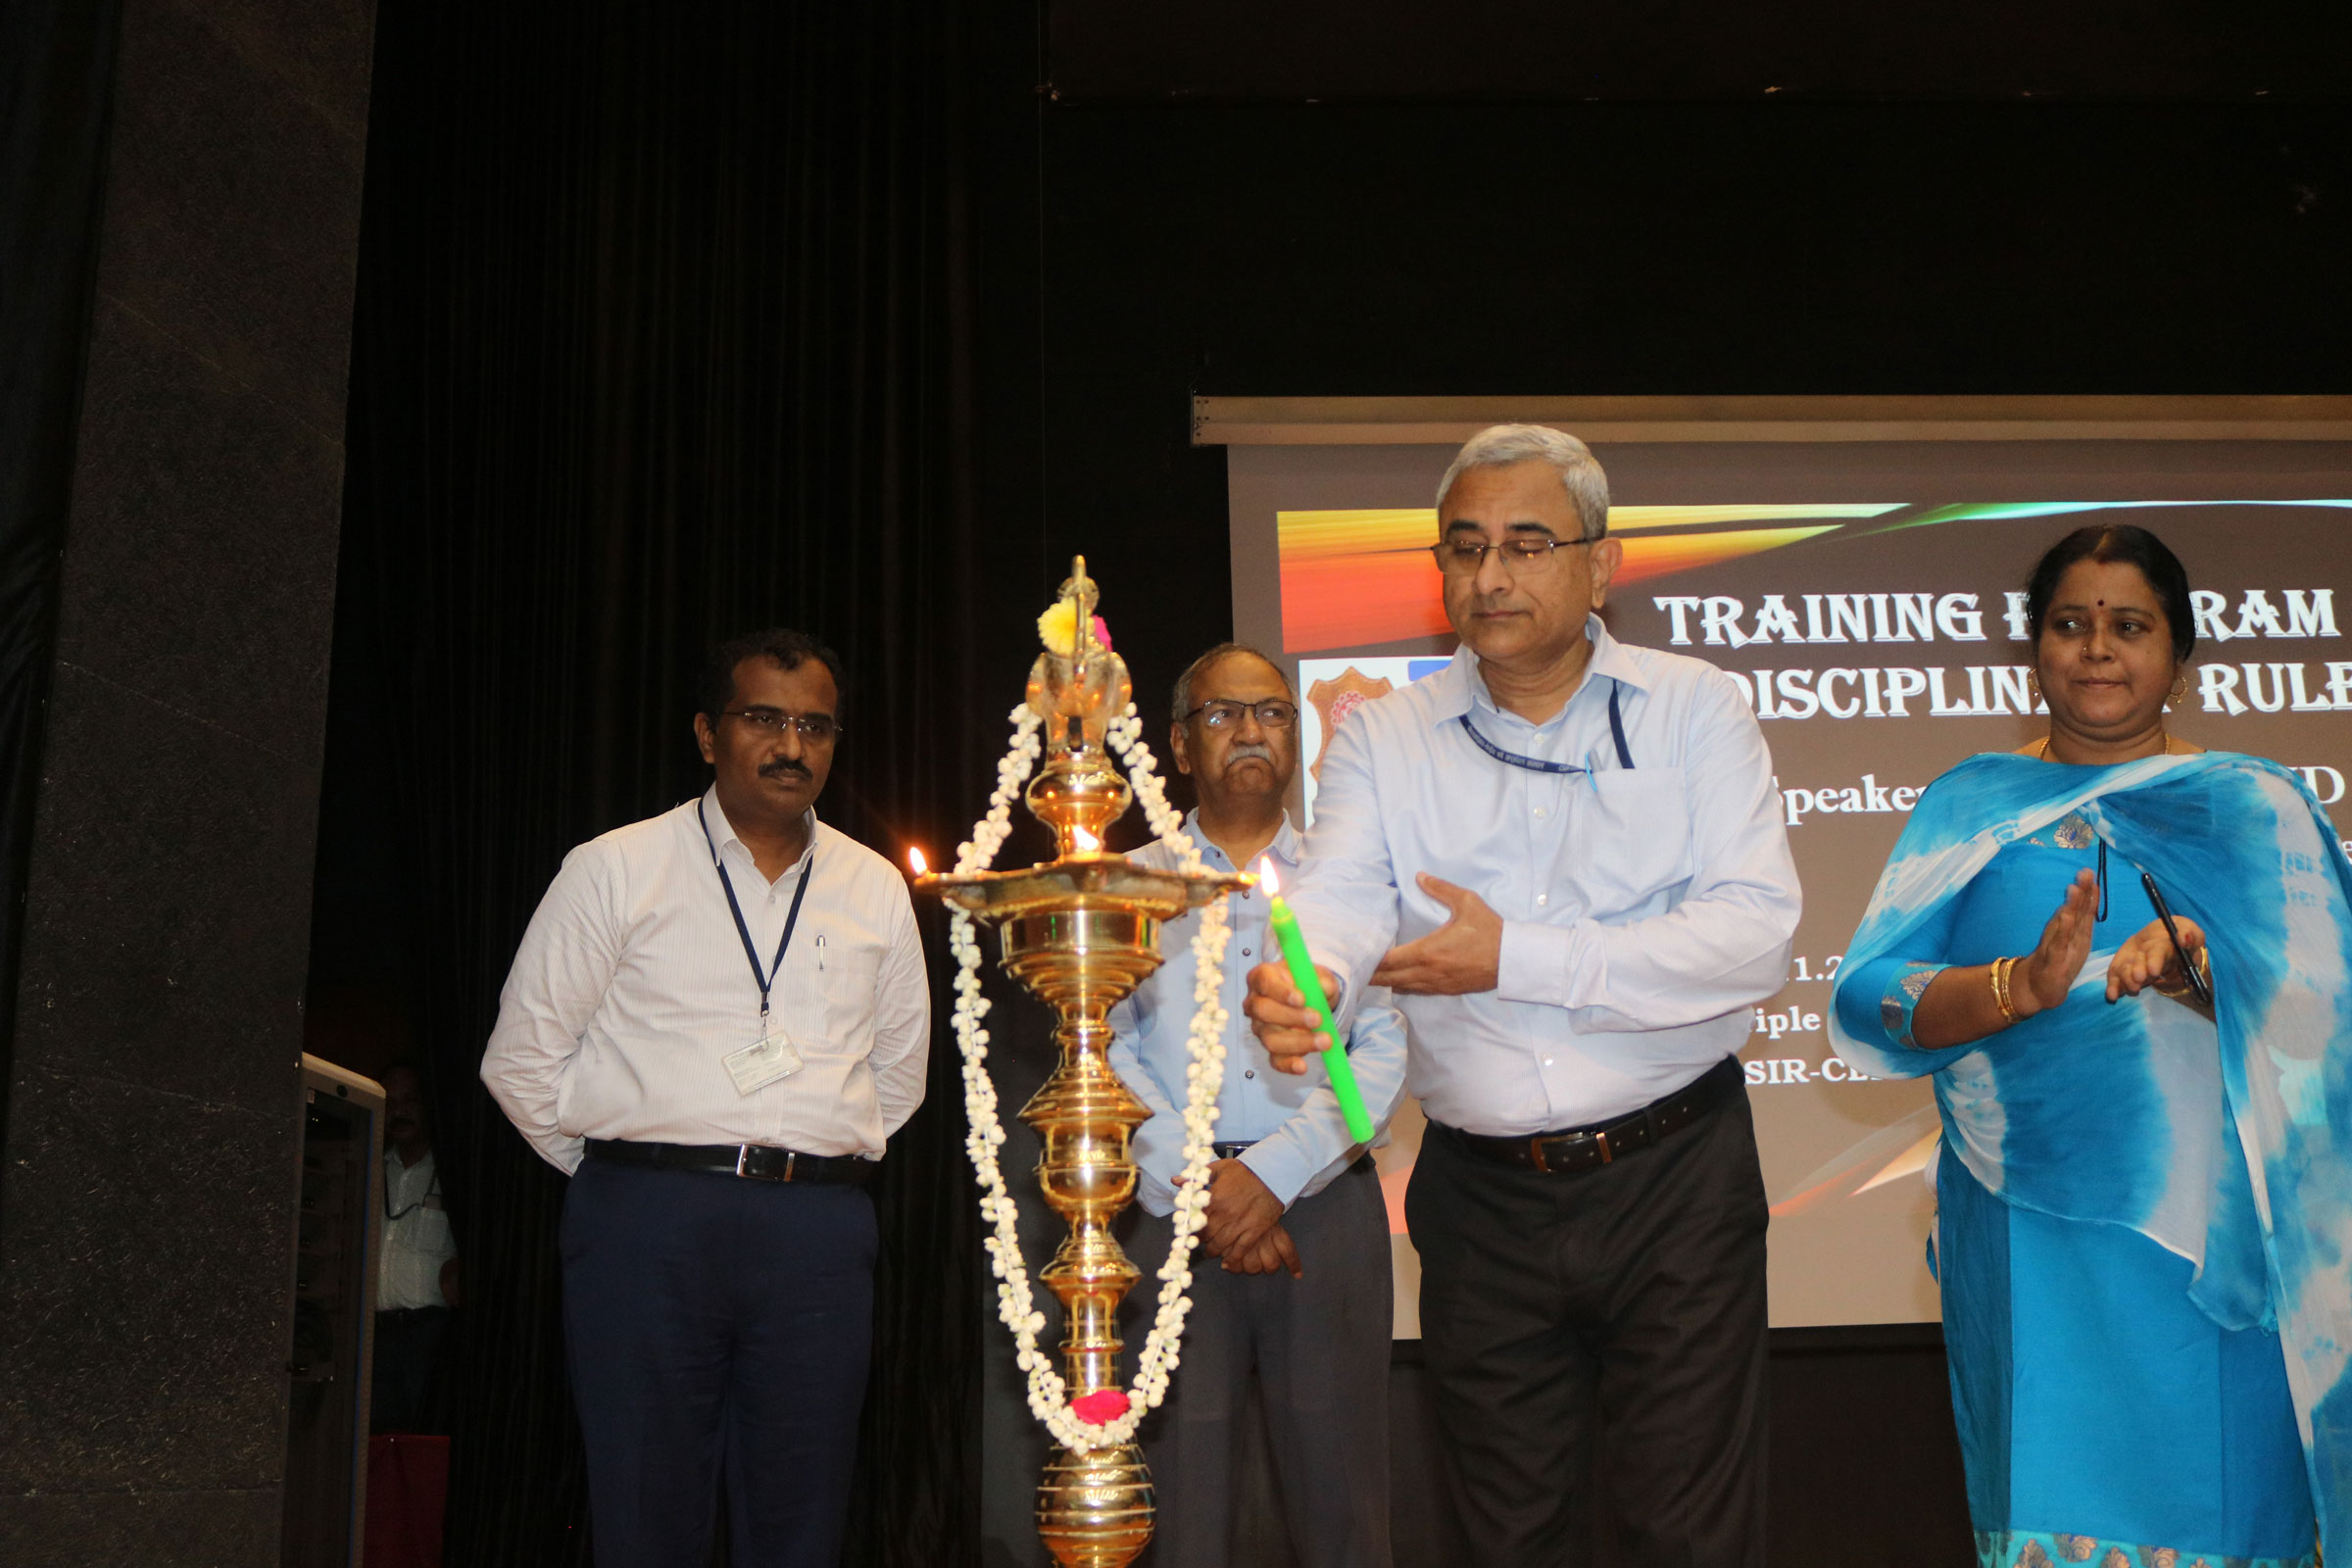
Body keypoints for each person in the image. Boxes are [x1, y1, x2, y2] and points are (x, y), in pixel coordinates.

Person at [1243, 424, 1802, 1565]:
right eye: (1465, 547)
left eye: (1526, 544)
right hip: (1481, 1197)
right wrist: (1313, 982)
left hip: (1675, 1179)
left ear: (1600, 565)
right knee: (1504, 1539)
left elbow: (1754, 936)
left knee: (1686, 1538)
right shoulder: (1383, 736)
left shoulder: (1694, 707)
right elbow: (1340, 894)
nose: (1490, 574)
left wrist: (1519, 957)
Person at [1829, 524, 2352, 1566]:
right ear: (2035, 647)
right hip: (2025, 1233)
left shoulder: (2253, 806)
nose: (2098, 648)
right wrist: (2015, 986)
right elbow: (1867, 996)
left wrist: (2206, 975)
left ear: (2180, 652)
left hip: (2220, 1234)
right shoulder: (1970, 804)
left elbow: (2328, 1020)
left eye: (2130, 626)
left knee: (2221, 1509)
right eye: (2070, 624)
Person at [480, 628, 929, 1568]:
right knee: (645, 1512)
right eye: (763, 718)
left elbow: (898, 1076)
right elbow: (521, 1062)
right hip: (646, 1229)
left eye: (815, 726)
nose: (792, 746)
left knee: (802, 1521)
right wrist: (630, 1167)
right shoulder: (615, 867)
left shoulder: (876, 886)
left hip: (816, 1235)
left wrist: (805, 1162)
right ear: (706, 733)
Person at [1107, 643, 1409, 1568]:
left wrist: (1271, 1177)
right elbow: (1101, 1046)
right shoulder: (1124, 883)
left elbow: (1382, 1049)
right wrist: (1200, 1185)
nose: (1250, 731)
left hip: (1323, 1208)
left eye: (1273, 713)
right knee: (1177, 1512)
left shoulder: (1351, 879)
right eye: (1223, 713)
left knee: (1344, 1508)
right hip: (1169, 1215)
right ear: (1178, 744)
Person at [371, 1060, 458, 1433]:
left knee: (427, 1442)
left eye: (409, 1100)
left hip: (431, 1335)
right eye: (390, 1103)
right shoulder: (370, 1166)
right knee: (376, 1443)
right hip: (374, 1333)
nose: (399, 1111)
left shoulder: (452, 1173)